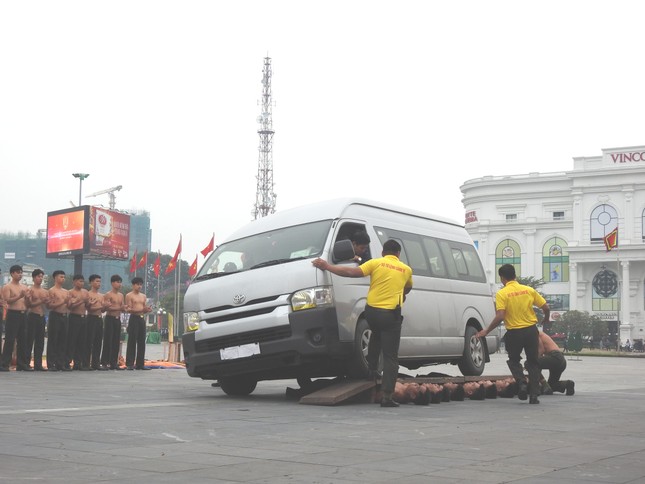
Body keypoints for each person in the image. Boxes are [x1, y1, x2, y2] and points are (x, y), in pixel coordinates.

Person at [312, 239, 413, 407]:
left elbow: (351, 272)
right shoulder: (406, 269)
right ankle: (387, 396)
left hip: (372, 312)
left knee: (376, 334)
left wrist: (327, 266)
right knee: (390, 357)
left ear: (383, 252)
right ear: (398, 254)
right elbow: (408, 287)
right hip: (390, 314)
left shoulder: (376, 263)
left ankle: (372, 370)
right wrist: (401, 295)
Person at [476, 264, 549, 405]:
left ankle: (521, 383)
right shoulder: (529, 290)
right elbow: (546, 307)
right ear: (515, 275)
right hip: (530, 331)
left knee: (514, 360)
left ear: (502, 278)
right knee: (533, 362)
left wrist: (486, 330)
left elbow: (500, 316)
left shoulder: (502, 294)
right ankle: (534, 395)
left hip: (514, 333)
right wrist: (546, 319)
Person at [1, 265, 32, 371]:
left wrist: (27, 298)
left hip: (23, 314)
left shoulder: (24, 287)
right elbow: (7, 300)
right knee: (10, 339)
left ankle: (22, 364)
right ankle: (5, 364)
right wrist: (19, 296)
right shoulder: (7, 287)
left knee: (23, 340)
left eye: (21, 272)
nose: (20, 274)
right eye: (18, 272)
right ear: (12, 274)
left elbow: (28, 304)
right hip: (13, 314)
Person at [125, 277, 152, 370]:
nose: (139, 286)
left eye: (141, 284)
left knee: (141, 341)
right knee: (132, 341)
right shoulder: (129, 295)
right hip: (134, 318)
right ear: (133, 285)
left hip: (141, 318)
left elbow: (144, 308)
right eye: (138, 284)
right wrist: (141, 310)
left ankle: (140, 364)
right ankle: (130, 363)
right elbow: (128, 309)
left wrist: (147, 310)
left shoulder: (143, 296)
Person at [536, 330, 575, 396]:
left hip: (554, 356)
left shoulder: (535, 332)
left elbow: (541, 350)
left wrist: (533, 363)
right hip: (561, 359)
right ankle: (568, 384)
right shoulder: (537, 332)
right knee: (552, 385)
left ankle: (544, 385)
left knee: (530, 363)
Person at [25, 269, 49, 371]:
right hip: (32, 316)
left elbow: (47, 306)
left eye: (41, 277)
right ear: (34, 278)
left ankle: (38, 364)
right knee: (29, 340)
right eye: (38, 276)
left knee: (40, 341)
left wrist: (47, 302)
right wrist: (40, 301)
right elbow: (29, 305)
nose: (40, 278)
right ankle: (26, 363)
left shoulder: (45, 291)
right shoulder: (30, 290)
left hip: (41, 316)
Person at [101, 275, 126, 370]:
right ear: (112, 283)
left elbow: (122, 307)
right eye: (117, 282)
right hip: (109, 318)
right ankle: (104, 362)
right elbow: (107, 308)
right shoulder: (108, 294)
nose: (119, 284)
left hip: (117, 319)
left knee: (116, 341)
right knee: (108, 341)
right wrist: (120, 308)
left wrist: (124, 308)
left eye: (120, 282)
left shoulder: (121, 295)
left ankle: (113, 362)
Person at [47, 270, 70, 371]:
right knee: (53, 339)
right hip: (55, 316)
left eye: (64, 277)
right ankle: (51, 363)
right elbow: (50, 306)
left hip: (64, 316)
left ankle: (60, 363)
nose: (63, 279)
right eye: (61, 277)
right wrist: (62, 302)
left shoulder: (66, 291)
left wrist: (70, 302)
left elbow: (68, 306)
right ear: (55, 278)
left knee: (63, 340)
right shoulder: (51, 291)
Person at [66, 274, 90, 370]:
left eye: (83, 281)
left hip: (83, 317)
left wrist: (88, 302)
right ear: (74, 282)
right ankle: (67, 362)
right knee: (72, 340)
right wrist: (81, 301)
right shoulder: (70, 292)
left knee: (81, 341)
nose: (82, 283)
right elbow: (70, 307)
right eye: (80, 281)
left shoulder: (85, 292)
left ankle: (78, 363)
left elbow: (87, 306)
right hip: (74, 317)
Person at [85, 274, 106, 370]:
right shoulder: (88, 294)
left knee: (98, 342)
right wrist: (101, 307)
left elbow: (102, 310)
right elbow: (90, 308)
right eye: (97, 281)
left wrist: (106, 306)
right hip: (91, 318)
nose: (99, 283)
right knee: (89, 341)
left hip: (99, 319)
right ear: (91, 282)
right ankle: (86, 363)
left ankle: (96, 363)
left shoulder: (102, 296)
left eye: (100, 281)